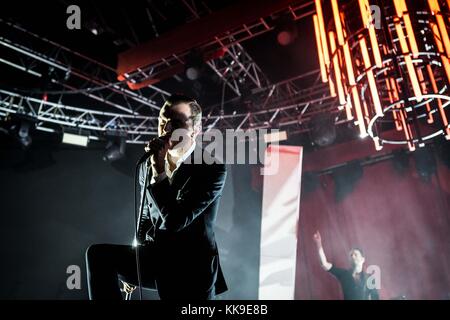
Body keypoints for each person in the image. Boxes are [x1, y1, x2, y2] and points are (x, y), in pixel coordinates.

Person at [85, 94, 228, 300]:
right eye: (163, 120)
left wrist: (160, 172)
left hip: (192, 270)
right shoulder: (148, 164)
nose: (167, 128)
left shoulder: (211, 168)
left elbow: (176, 221)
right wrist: (135, 263)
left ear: (196, 131)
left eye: (177, 122)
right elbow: (146, 216)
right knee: (98, 256)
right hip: (158, 259)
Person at [312, 231, 379, 300]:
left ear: (363, 259)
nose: (353, 256)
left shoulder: (370, 278)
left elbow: (375, 297)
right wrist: (318, 243)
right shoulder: (344, 274)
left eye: (355, 254)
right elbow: (325, 264)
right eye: (351, 255)